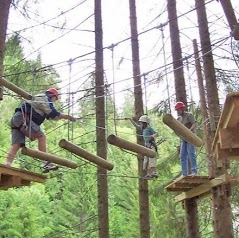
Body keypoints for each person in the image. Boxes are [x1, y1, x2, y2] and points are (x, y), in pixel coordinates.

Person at [6, 88, 77, 173]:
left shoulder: (39, 99)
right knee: (42, 137)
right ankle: (46, 162)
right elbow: (52, 112)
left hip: (17, 119)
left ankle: (7, 165)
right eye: (55, 98)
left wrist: (65, 117)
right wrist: (67, 116)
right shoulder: (45, 99)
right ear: (52, 95)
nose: (54, 101)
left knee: (16, 145)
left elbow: (52, 116)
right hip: (23, 118)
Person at [128, 115, 158, 179]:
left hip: (151, 145)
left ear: (144, 123)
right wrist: (131, 120)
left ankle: (154, 172)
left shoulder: (149, 128)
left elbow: (156, 133)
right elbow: (136, 126)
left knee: (152, 159)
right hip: (147, 146)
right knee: (146, 160)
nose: (140, 123)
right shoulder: (142, 128)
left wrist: (153, 135)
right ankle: (149, 174)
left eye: (141, 122)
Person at [175, 101, 198, 177]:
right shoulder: (179, 119)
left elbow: (194, 124)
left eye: (178, 110)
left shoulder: (189, 115)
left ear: (182, 109)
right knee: (182, 156)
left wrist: (189, 131)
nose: (178, 111)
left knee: (191, 153)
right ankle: (184, 174)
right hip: (183, 139)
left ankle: (194, 171)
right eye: (177, 110)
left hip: (190, 137)